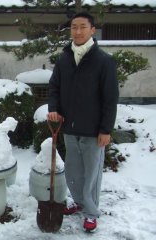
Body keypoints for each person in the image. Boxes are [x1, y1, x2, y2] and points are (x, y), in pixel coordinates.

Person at [47, 12, 119, 232]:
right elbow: (54, 87)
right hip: (69, 127)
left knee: (91, 175)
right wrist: (54, 109)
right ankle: (78, 202)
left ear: (92, 30)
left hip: (93, 130)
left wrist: (106, 129)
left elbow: (110, 98)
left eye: (82, 27)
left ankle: (90, 212)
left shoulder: (103, 61)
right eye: (73, 27)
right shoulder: (65, 58)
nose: (77, 31)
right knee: (74, 171)